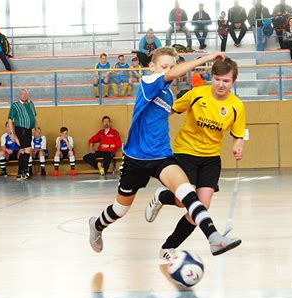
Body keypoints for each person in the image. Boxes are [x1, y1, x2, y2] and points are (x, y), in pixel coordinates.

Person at [88, 47, 242, 258]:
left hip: (162, 157)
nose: (168, 70)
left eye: (171, 66)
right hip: (135, 159)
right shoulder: (148, 83)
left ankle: (214, 237)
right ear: (152, 67)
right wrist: (205, 59)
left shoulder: (168, 94)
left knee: (189, 194)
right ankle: (96, 225)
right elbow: (172, 74)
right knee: (120, 209)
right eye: (164, 67)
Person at [144, 57, 246, 262]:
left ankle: (168, 246)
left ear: (233, 82)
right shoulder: (197, 95)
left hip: (211, 158)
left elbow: (238, 133)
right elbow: (169, 110)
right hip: (186, 152)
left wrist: (238, 144)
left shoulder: (236, 106)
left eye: (226, 81)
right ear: (212, 78)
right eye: (217, 79)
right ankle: (163, 197)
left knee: (202, 206)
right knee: (184, 202)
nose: (220, 84)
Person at [7, 89, 38, 180]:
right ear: (20, 95)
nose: (24, 96)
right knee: (27, 149)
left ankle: (21, 172)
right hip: (21, 129)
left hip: (29, 129)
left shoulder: (31, 104)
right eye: (22, 94)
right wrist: (12, 133)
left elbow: (35, 117)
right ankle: (25, 170)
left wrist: (36, 129)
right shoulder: (15, 105)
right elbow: (10, 119)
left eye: (25, 94)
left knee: (24, 150)